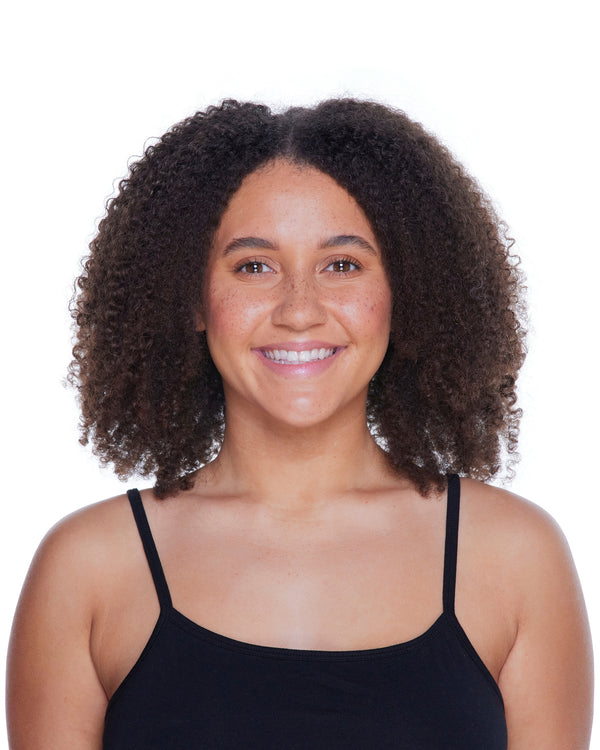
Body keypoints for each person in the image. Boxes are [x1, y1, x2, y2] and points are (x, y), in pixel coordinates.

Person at [6, 99, 593, 749]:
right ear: (191, 298)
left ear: (405, 293)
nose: (299, 310)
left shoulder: (514, 558)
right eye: (253, 266)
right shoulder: (88, 570)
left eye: (342, 265)